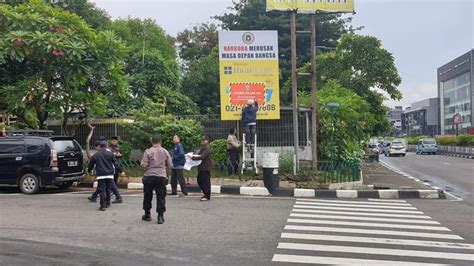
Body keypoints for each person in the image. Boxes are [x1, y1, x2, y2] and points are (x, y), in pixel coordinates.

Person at [141, 135, 172, 224]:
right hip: (161, 176)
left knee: (147, 195)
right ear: (160, 142)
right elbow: (170, 165)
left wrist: (145, 168)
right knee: (161, 196)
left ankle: (147, 214)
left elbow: (144, 165)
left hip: (149, 176)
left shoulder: (148, 151)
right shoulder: (165, 151)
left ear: (152, 142)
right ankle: (160, 216)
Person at [192, 136, 212, 202]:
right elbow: (199, 155)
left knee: (205, 182)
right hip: (201, 168)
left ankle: (207, 195)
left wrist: (193, 158)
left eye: (204, 140)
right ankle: (205, 193)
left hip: (205, 168)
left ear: (207, 141)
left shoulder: (207, 148)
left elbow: (202, 156)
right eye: (202, 140)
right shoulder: (203, 148)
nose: (203, 141)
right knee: (200, 181)